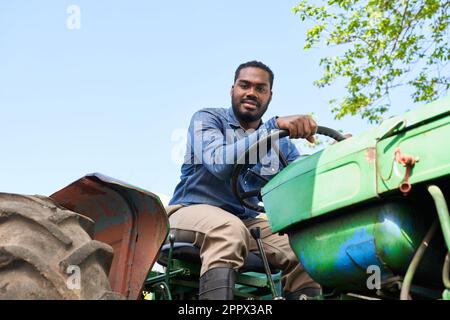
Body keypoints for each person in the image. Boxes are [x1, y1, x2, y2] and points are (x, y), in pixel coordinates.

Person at [167, 60, 321, 300]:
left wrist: (333, 156)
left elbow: (301, 180)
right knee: (228, 229)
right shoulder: (207, 119)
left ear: (270, 96)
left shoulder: (282, 145)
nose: (251, 92)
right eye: (244, 85)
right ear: (232, 89)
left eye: (261, 88)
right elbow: (220, 163)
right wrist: (272, 129)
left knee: (305, 246)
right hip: (188, 213)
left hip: (246, 224)